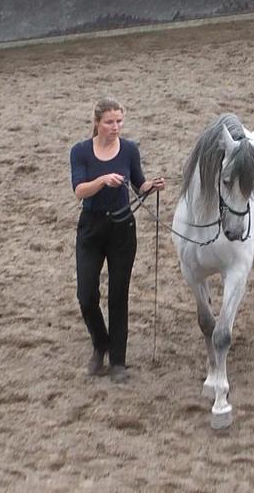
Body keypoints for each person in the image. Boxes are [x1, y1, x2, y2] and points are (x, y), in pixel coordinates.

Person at [70, 98, 165, 383]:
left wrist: (151, 186)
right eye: (110, 122)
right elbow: (79, 190)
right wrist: (102, 181)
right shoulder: (81, 152)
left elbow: (139, 184)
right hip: (91, 227)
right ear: (97, 122)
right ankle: (101, 344)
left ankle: (118, 361)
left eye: (119, 121)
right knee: (86, 296)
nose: (115, 127)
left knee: (118, 295)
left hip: (123, 227)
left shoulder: (130, 150)